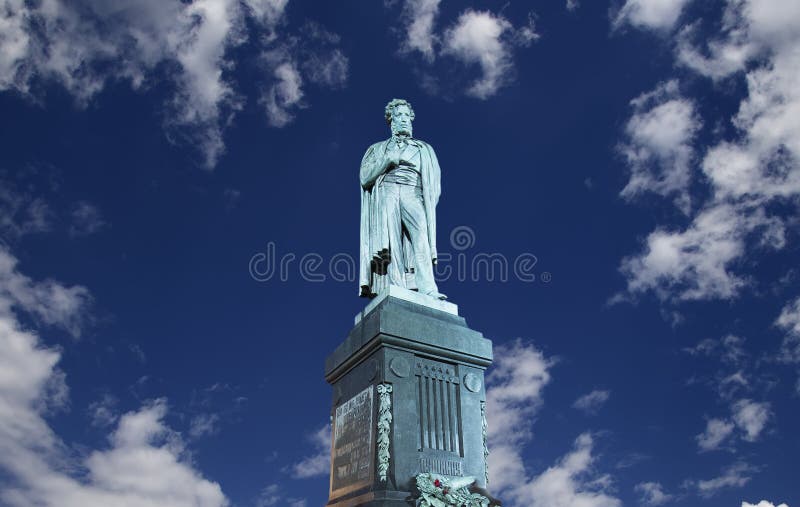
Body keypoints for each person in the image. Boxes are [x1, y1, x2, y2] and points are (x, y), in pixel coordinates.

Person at [358, 99, 447, 300]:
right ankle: (396, 286)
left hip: (413, 192)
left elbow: (435, 184)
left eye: (407, 116)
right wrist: (388, 160)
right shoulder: (378, 148)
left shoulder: (424, 148)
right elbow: (365, 177)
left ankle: (428, 288)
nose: (404, 120)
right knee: (391, 240)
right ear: (391, 121)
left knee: (421, 238)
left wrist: (425, 201)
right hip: (387, 190)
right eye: (399, 116)